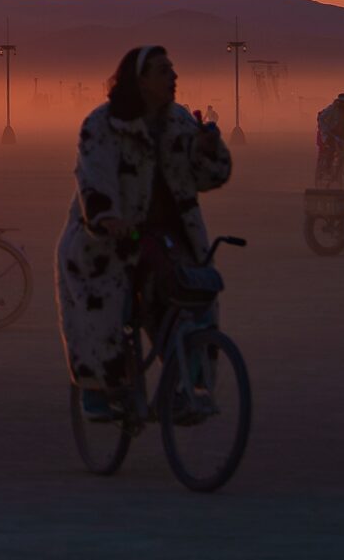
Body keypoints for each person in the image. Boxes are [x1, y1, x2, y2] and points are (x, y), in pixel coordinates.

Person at [56, 46, 233, 417]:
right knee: (105, 312)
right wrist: (107, 219)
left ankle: (187, 384)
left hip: (168, 236)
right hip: (108, 239)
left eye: (173, 69)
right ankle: (98, 389)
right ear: (140, 81)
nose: (173, 77)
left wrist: (208, 150)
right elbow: (94, 178)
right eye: (163, 71)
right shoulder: (103, 125)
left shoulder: (181, 123)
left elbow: (204, 179)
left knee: (192, 297)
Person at [313, 92, 344, 185]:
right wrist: (326, 131)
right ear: (339, 102)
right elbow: (321, 119)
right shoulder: (331, 109)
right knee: (331, 150)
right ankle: (327, 169)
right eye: (342, 102)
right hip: (332, 134)